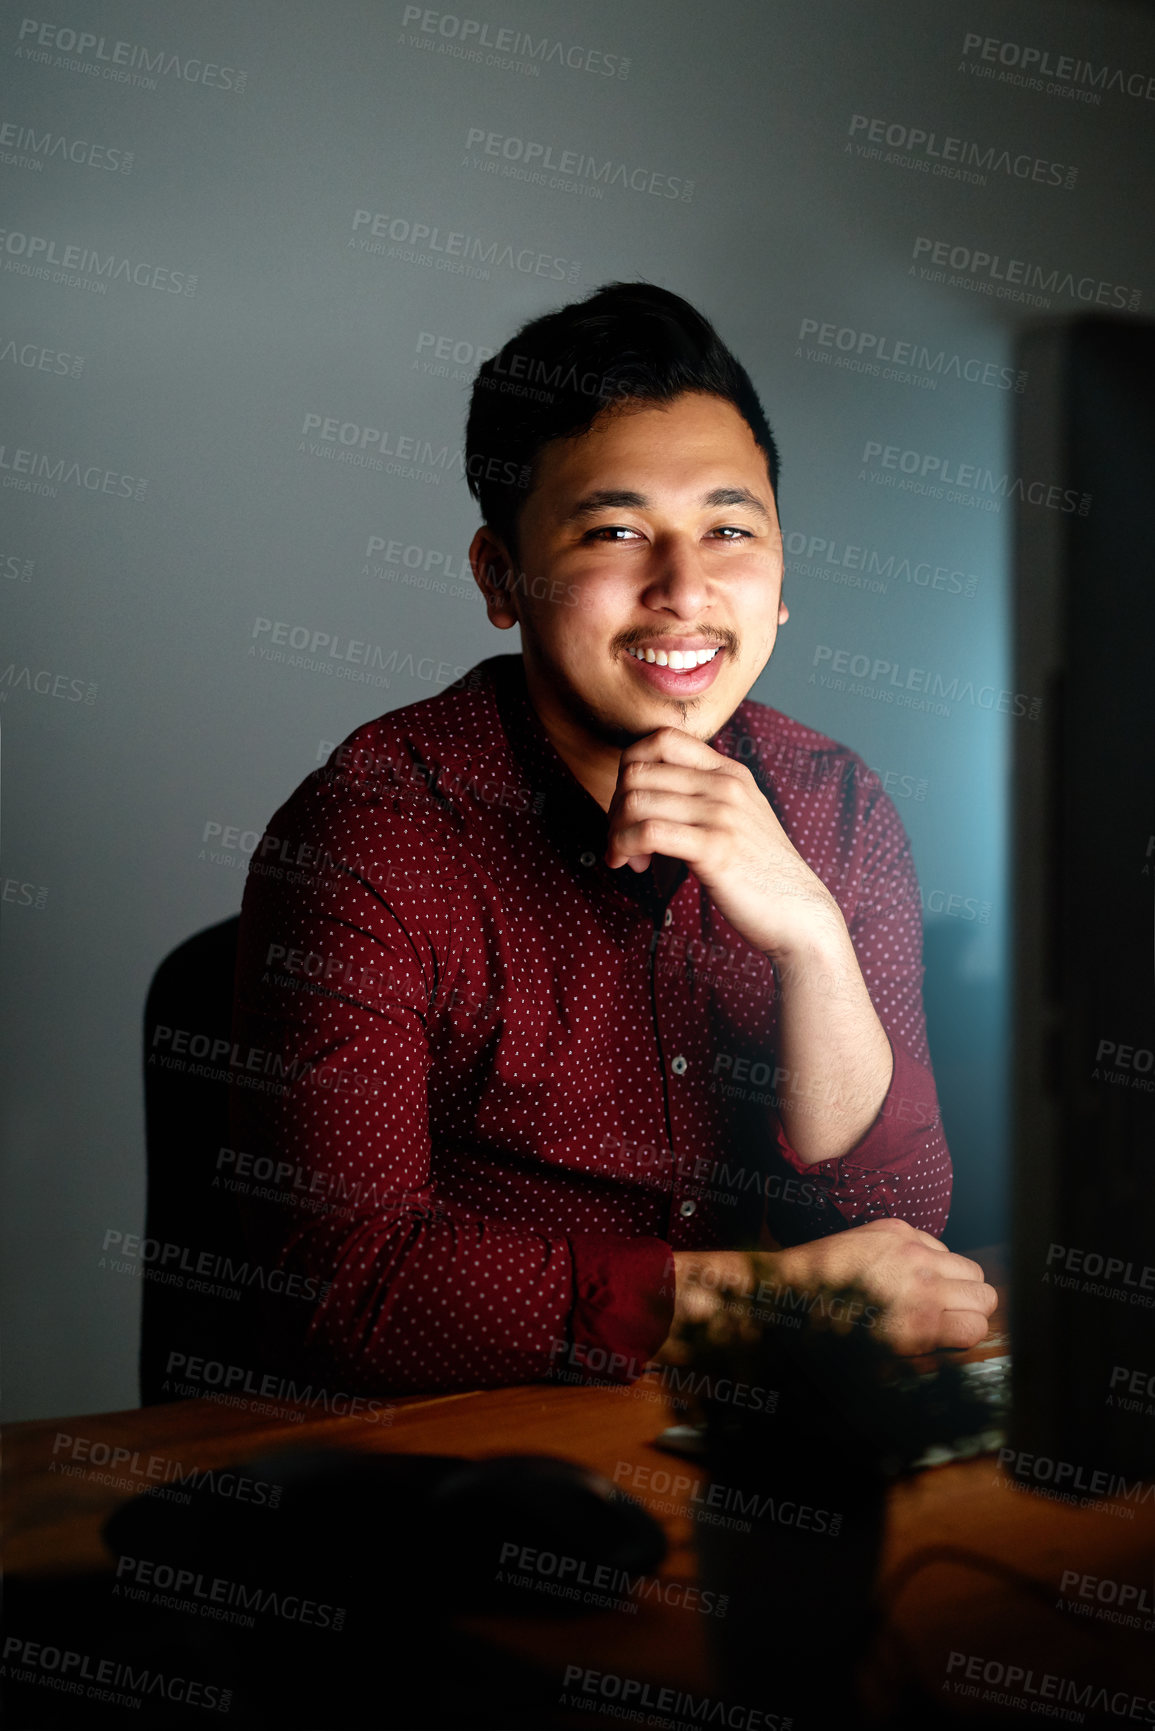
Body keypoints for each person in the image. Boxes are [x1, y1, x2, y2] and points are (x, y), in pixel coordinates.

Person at [229, 281, 996, 1396]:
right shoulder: (372, 832)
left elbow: (899, 1232)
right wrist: (773, 1305)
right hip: (465, 1483)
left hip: (751, 1454)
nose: (685, 590)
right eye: (617, 532)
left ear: (782, 582)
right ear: (503, 577)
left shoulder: (834, 805)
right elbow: (347, 1286)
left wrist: (814, 943)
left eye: (731, 530)